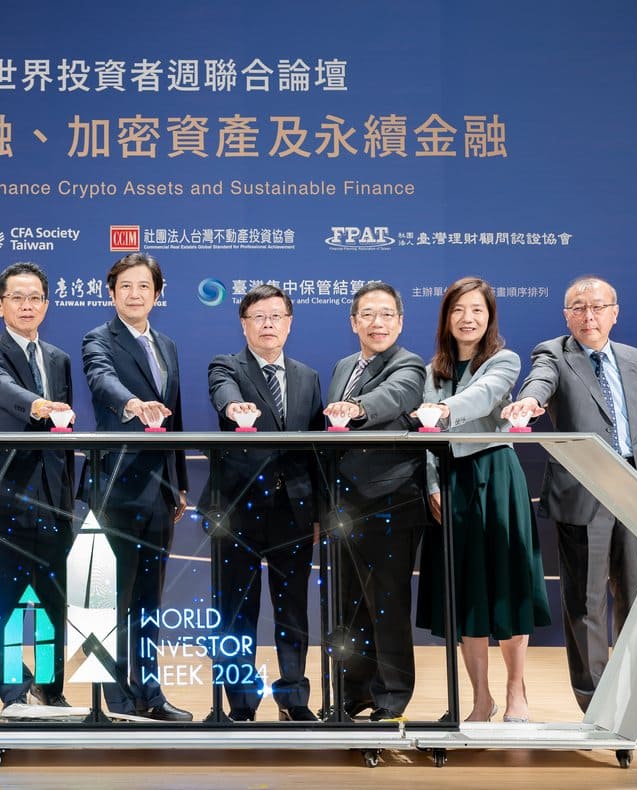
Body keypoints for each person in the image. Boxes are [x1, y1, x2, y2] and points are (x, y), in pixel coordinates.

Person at [502, 276, 637, 722]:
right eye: (578, 308)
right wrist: (528, 402)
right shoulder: (553, 353)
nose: (588, 316)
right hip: (584, 491)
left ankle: (635, 700)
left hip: (636, 491)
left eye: (597, 307)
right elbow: (539, 382)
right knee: (586, 603)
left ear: (615, 313)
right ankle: (599, 705)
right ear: (566, 316)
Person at [412, 277, 551, 723]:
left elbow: (482, 397)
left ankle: (516, 690)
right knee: (466, 590)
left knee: (507, 585)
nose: (467, 318)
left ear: (489, 316)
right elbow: (426, 435)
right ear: (445, 318)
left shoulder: (504, 360)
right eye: (458, 310)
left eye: (476, 310)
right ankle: (479, 699)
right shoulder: (432, 370)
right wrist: (432, 484)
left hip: (496, 475)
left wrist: (445, 410)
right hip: (450, 480)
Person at [198, 284, 324, 722]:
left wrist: (318, 512)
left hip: (294, 511)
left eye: (276, 316)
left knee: (293, 611)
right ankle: (240, 705)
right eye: (259, 317)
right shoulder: (226, 365)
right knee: (236, 612)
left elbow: (315, 450)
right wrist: (236, 410)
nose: (268, 324)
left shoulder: (307, 376)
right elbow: (224, 394)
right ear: (244, 324)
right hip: (237, 510)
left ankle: (294, 699)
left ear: (290, 323)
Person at [81, 252, 192, 722]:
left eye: (144, 286)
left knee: (149, 601)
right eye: (125, 286)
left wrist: (180, 482)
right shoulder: (97, 339)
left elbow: (175, 416)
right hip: (116, 487)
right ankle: (116, 701)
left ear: (157, 294)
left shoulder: (166, 344)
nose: (134, 294)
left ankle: (150, 694)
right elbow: (101, 381)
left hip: (160, 489)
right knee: (112, 600)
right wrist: (134, 405)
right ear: (111, 293)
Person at [0, 262, 75, 709]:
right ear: (0, 305)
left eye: (35, 298)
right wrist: (38, 404)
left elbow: (65, 435)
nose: (27, 305)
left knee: (54, 603)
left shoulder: (58, 358)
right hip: (5, 497)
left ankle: (50, 689)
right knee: (8, 603)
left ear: (46, 304)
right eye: (17, 297)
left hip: (53, 499)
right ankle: (13, 693)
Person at [321, 280, 426, 722]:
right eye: (367, 314)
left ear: (400, 322)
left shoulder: (409, 364)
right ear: (353, 322)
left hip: (391, 501)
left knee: (388, 604)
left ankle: (392, 697)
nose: (376, 322)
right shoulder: (344, 365)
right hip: (345, 503)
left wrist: (356, 408)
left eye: (386, 314)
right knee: (349, 605)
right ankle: (352, 692)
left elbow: (394, 398)